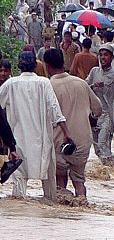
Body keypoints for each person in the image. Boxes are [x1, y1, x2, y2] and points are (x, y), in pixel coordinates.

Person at [0, 51, 72, 200]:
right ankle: (50, 203)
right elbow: (55, 109)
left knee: (19, 182)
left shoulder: (10, 84)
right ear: (35, 65)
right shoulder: (44, 82)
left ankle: (20, 212)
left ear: (19, 65)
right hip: (42, 139)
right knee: (48, 177)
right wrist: (66, 132)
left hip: (18, 140)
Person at [44, 48, 102, 201]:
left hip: (59, 141)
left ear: (47, 65)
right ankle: (82, 202)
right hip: (82, 141)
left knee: (60, 181)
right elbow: (98, 109)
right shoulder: (81, 83)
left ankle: (64, 216)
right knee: (79, 179)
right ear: (63, 62)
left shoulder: (48, 87)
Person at [0, 60, 22, 184]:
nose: (2, 73)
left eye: (5, 71)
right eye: (0, 70)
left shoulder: (12, 85)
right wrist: (12, 146)